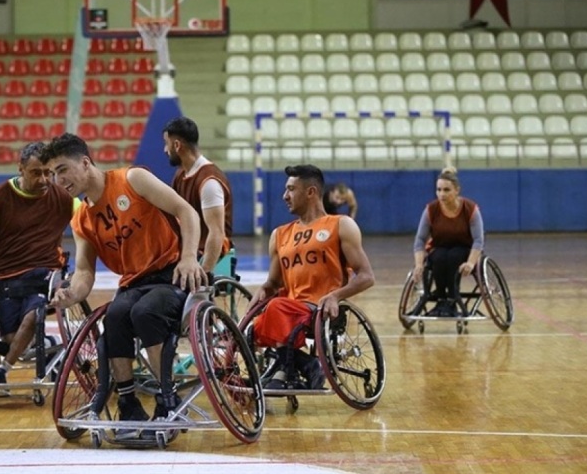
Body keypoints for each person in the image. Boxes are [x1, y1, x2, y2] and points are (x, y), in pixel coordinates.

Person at [43, 133, 208, 440]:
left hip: (171, 273)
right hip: (133, 282)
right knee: (116, 319)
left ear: (85, 162)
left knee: (145, 313)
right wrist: (70, 294)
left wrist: (188, 257)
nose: (57, 179)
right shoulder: (81, 219)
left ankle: (166, 398)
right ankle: (129, 403)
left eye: (62, 169)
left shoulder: (133, 179)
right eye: (53, 174)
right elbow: (83, 274)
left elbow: (187, 212)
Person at [248, 165, 375, 390]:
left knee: (277, 308)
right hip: (288, 307)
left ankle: (285, 369)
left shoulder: (341, 225)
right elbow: (274, 283)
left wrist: (337, 296)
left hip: (319, 308)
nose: (284, 196)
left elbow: (366, 276)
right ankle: (304, 364)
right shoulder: (279, 234)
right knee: (248, 329)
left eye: (290, 189)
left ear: (311, 192)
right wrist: (264, 289)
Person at [0, 142, 75, 391]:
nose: (44, 179)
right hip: (7, 278)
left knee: (32, 318)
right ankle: (50, 343)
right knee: (15, 340)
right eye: (37, 173)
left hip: (45, 274)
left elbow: (89, 221)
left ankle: (2, 371)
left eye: (49, 173)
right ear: (21, 169)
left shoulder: (63, 198)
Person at [163, 116, 233, 275]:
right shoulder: (180, 175)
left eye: (166, 144)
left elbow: (217, 233)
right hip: (188, 249)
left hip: (207, 254)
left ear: (177, 145)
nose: (165, 150)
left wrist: (204, 274)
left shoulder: (209, 182)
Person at [412, 167, 484, 317]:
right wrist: (419, 265)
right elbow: (420, 240)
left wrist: (471, 263)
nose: (441, 194)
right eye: (438, 190)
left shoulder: (470, 209)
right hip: (440, 247)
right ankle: (441, 299)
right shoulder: (431, 209)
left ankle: (452, 299)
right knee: (438, 257)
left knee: (453, 257)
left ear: (457, 190)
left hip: (465, 249)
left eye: (446, 190)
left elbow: (478, 240)